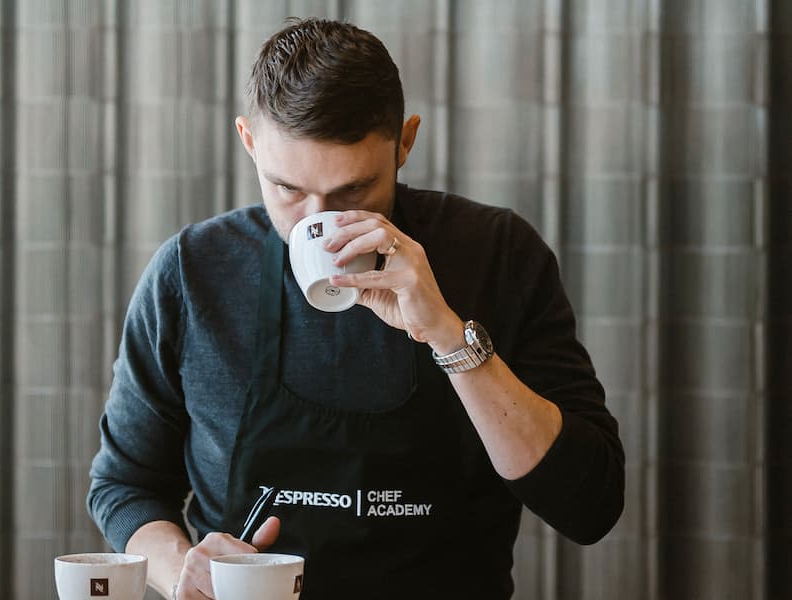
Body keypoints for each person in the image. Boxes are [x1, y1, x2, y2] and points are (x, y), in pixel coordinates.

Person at [88, 17, 624, 600]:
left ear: (405, 143)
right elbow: (123, 484)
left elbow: (589, 506)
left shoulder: (497, 253)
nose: (316, 222)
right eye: (287, 189)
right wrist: (179, 570)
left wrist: (448, 335)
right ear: (248, 140)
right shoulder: (192, 273)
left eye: (353, 192)